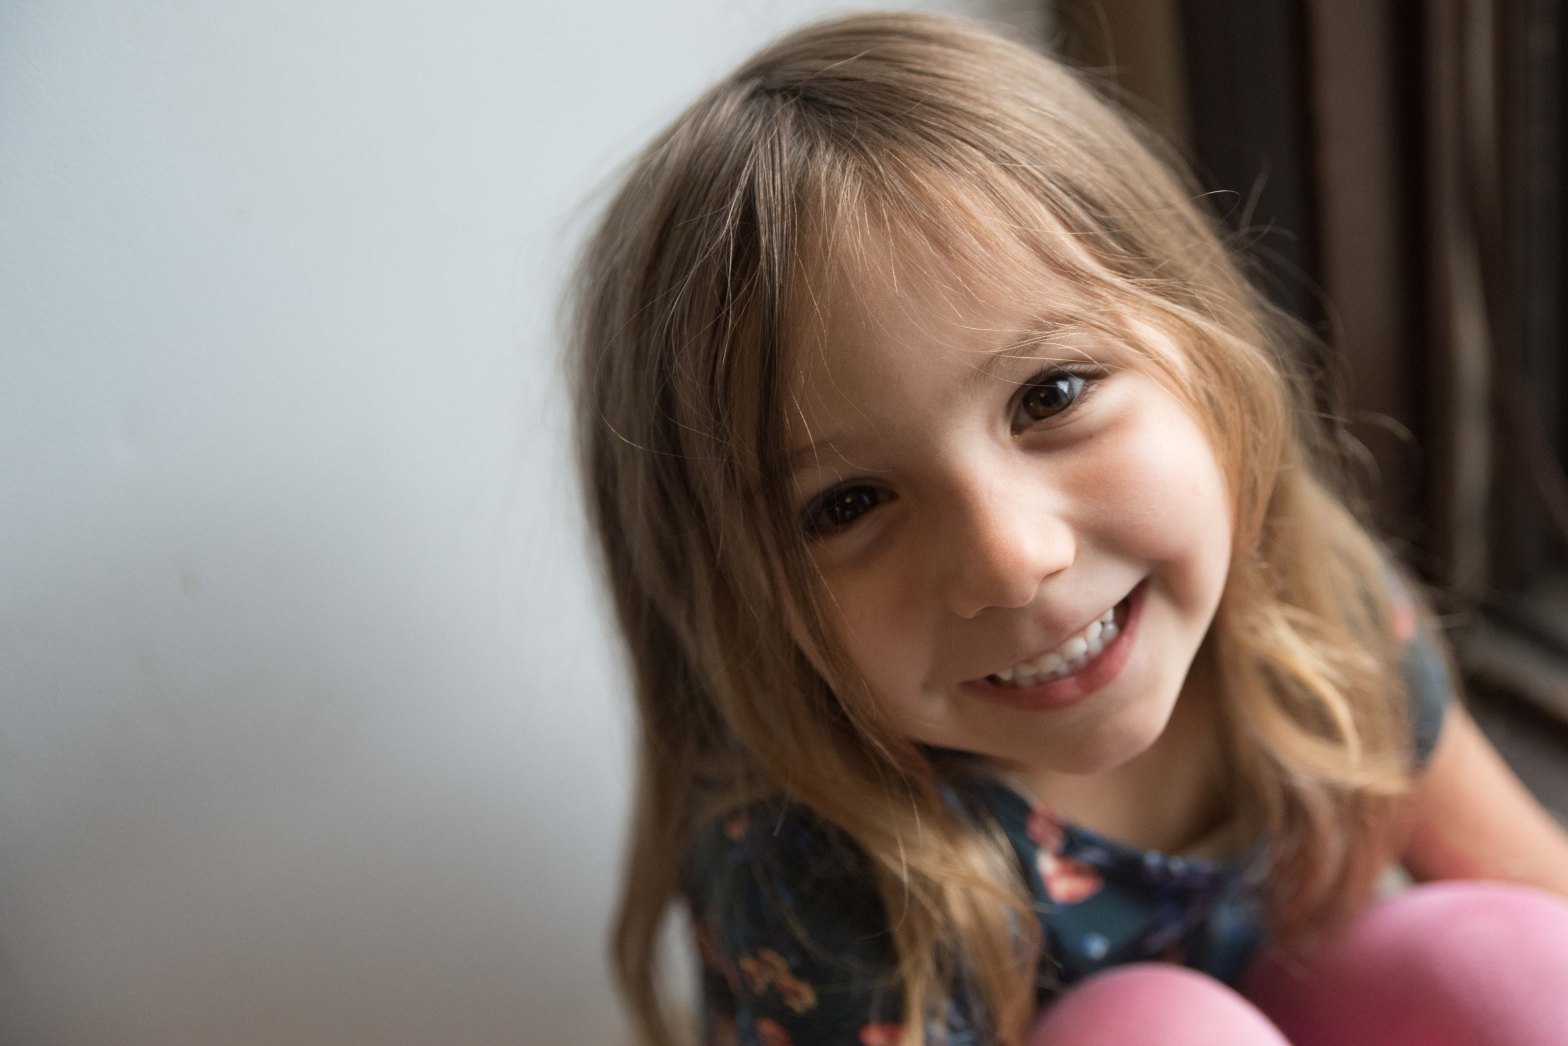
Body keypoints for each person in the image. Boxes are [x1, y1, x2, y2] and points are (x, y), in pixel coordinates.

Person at [568, 11, 1568, 1045]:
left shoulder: (1313, 608)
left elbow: (1535, 883)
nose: (1010, 559)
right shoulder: (820, 886)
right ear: (739, 603)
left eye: (1049, 395)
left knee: (1502, 963)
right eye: (850, 503)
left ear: (1201, 349)